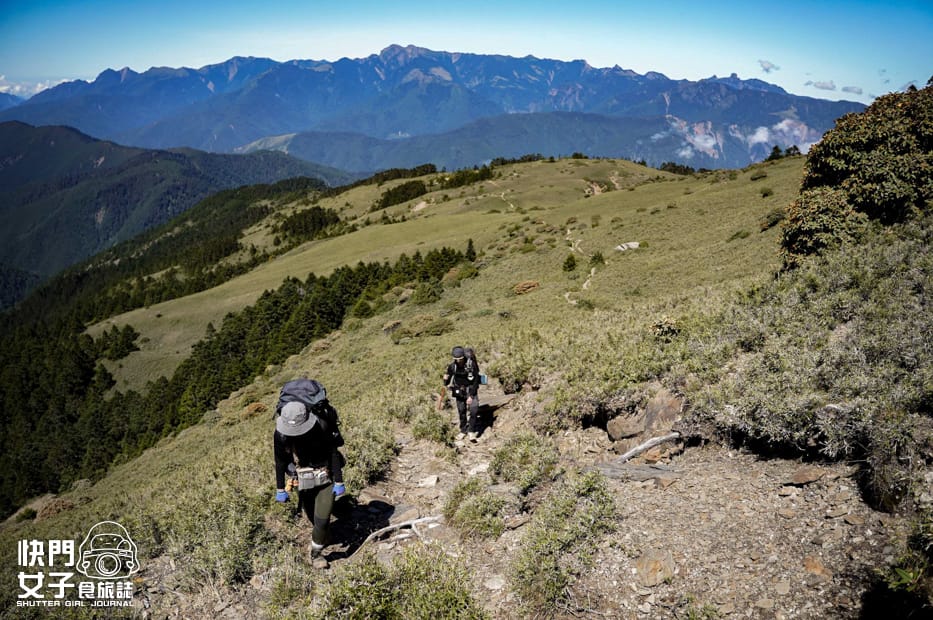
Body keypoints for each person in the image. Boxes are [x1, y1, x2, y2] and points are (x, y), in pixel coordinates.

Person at [273, 378, 345, 563]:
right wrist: (280, 488)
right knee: (312, 515)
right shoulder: (280, 434)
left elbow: (333, 453)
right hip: (299, 476)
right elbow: (280, 461)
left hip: (325, 474)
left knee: (322, 517)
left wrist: (338, 481)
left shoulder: (321, 426)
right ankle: (322, 536)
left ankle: (316, 554)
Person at [443, 346, 481, 441]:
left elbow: (476, 381)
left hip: (471, 389)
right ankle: (463, 430)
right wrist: (445, 380)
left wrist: (471, 396)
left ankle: (471, 431)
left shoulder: (471, 365)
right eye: (456, 359)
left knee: (473, 410)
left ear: (463, 357)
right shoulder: (452, 367)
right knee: (461, 411)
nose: (458, 361)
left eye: (460, 359)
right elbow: (447, 382)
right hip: (459, 391)